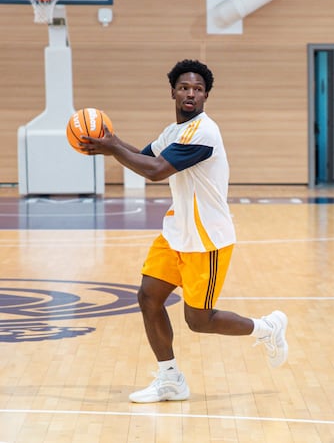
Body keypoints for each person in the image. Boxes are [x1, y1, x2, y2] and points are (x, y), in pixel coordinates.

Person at [81, 59, 288, 404]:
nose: (190, 93)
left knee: (199, 319)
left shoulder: (205, 131)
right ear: (173, 92)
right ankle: (170, 379)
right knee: (148, 297)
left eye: (197, 89)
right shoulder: (173, 132)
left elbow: (156, 170)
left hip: (207, 238)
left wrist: (111, 147)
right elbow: (143, 157)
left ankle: (267, 328)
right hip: (177, 230)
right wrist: (112, 143)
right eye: (184, 88)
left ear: (206, 96)